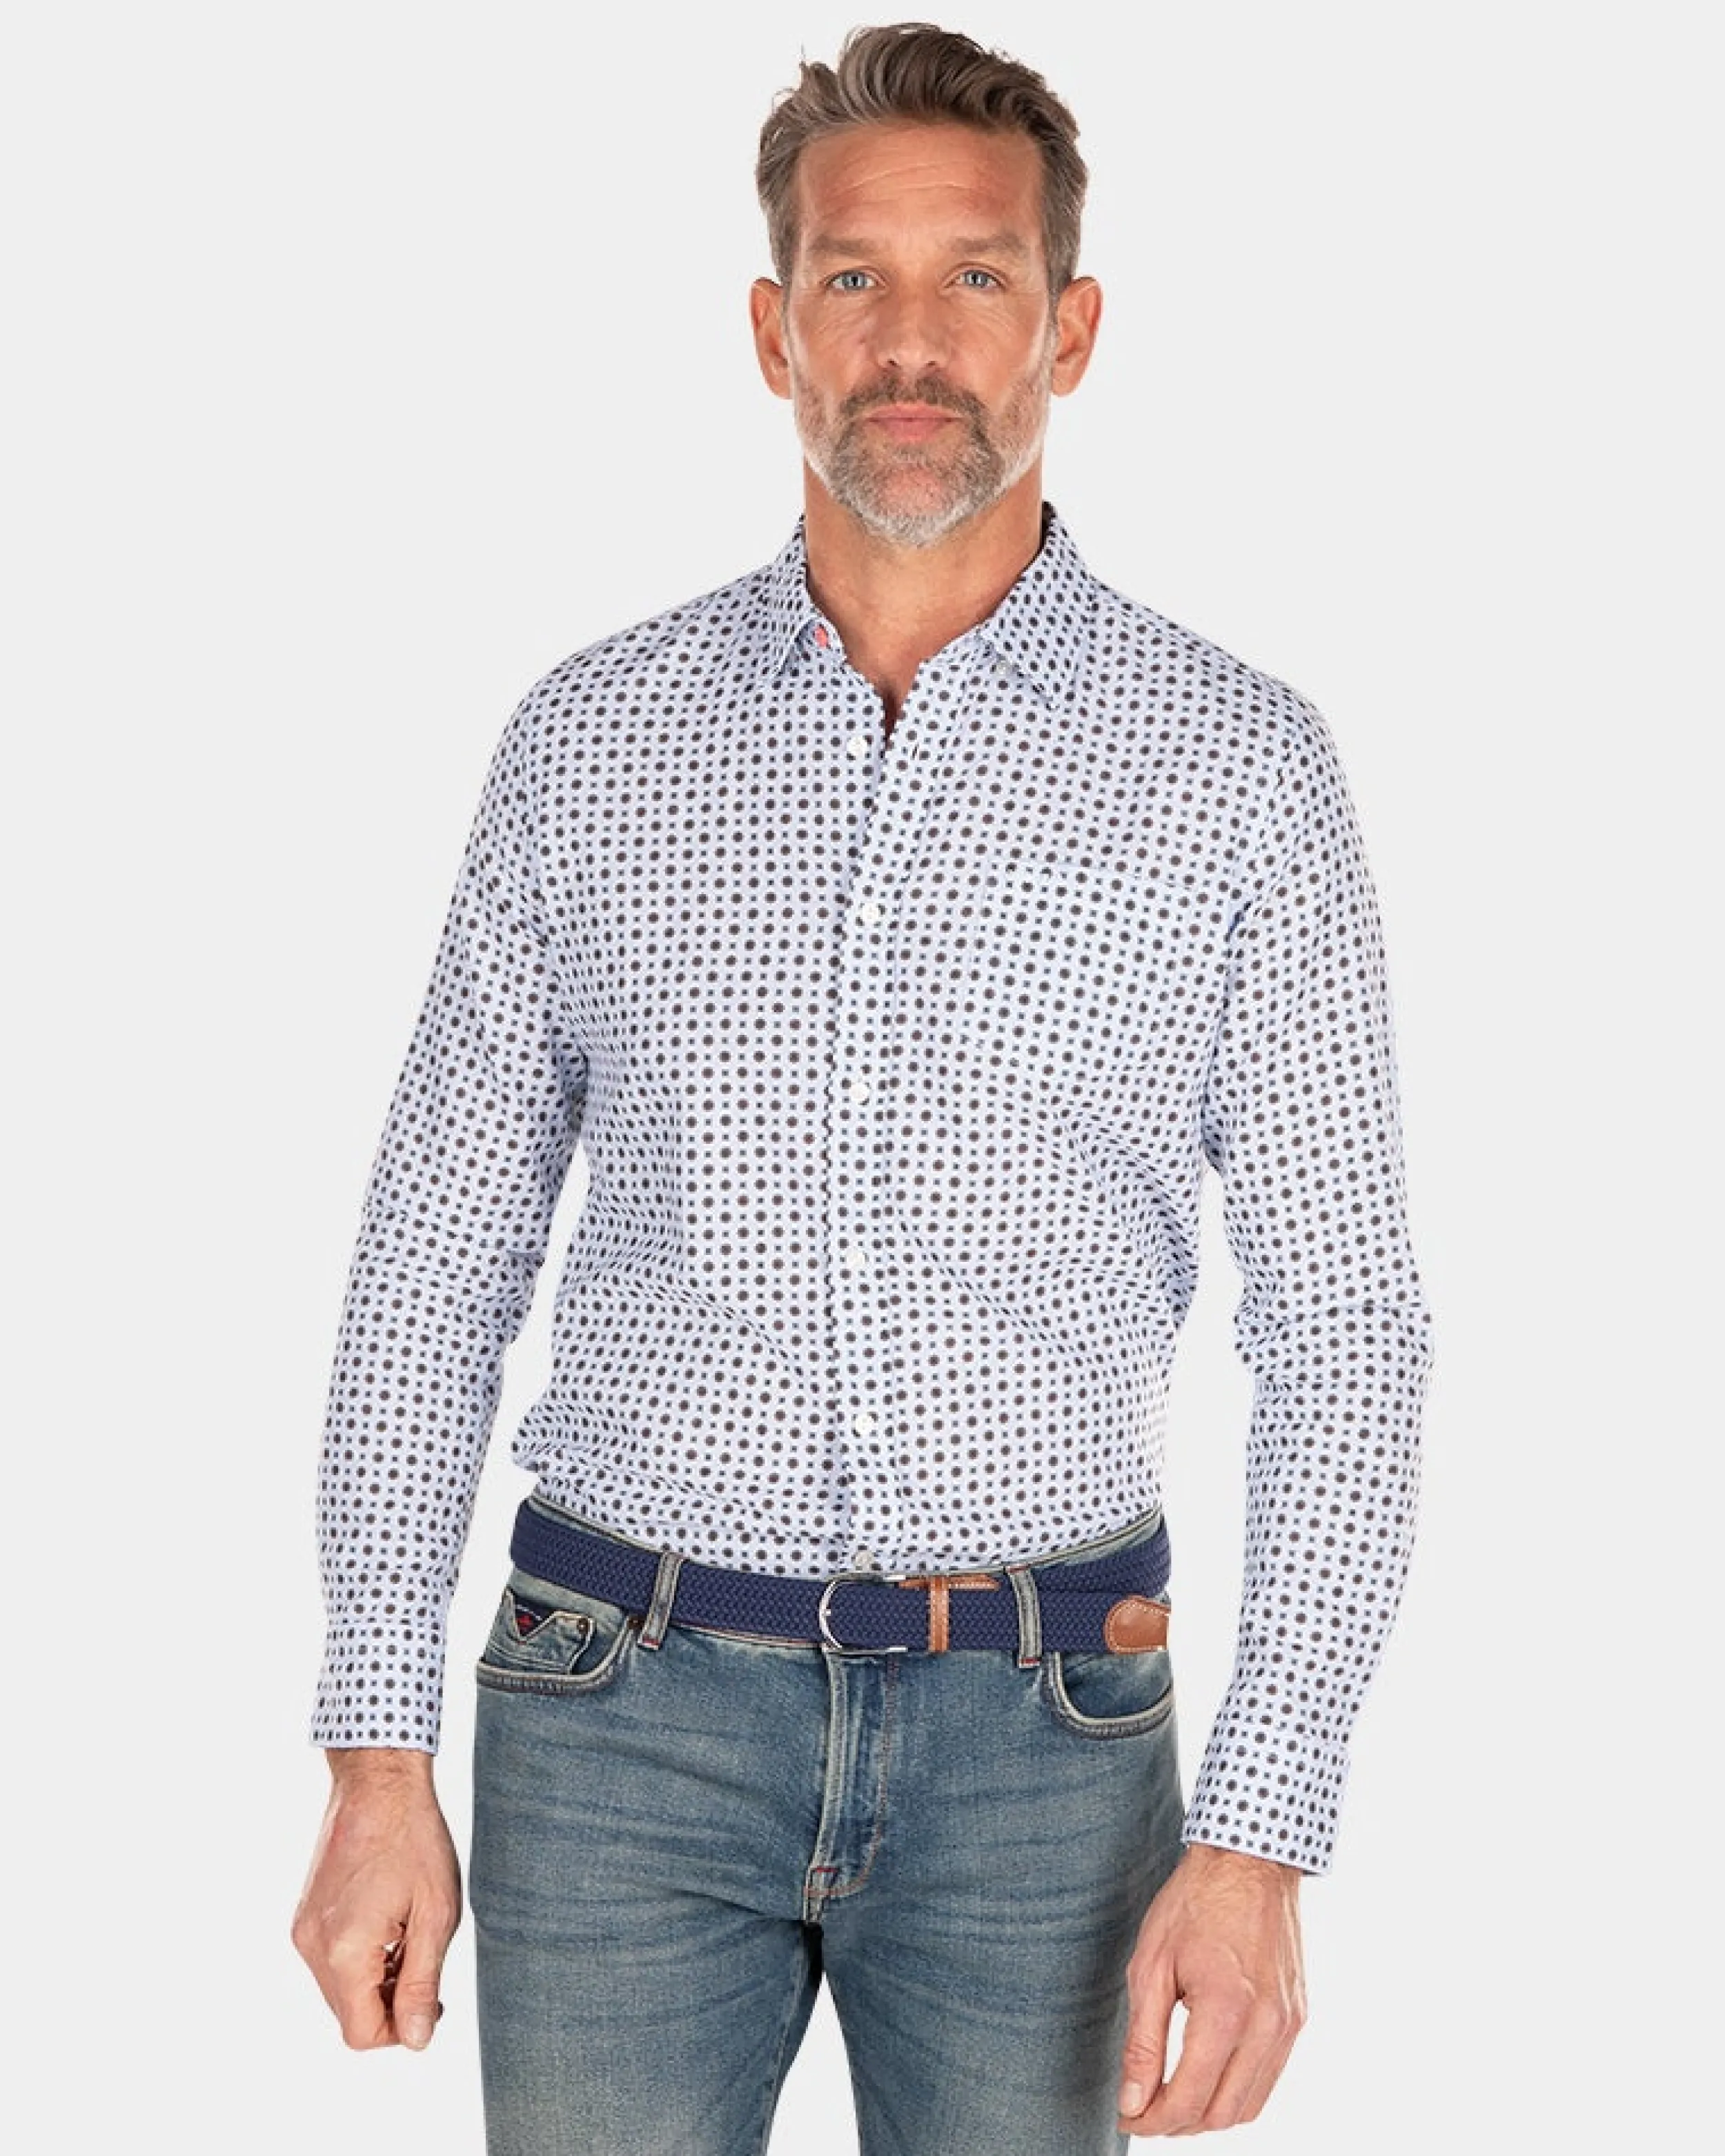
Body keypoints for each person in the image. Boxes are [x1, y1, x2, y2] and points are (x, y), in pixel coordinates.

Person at [293, 22, 1432, 2151]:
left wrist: (1262, 1831)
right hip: (613, 1717)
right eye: (852, 278)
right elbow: (432, 1261)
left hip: (1046, 1739)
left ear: (1067, 328)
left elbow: (1346, 1325)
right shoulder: (592, 741)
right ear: (772, 331)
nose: (910, 344)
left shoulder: (1237, 771)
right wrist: (373, 1747)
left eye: (974, 277)